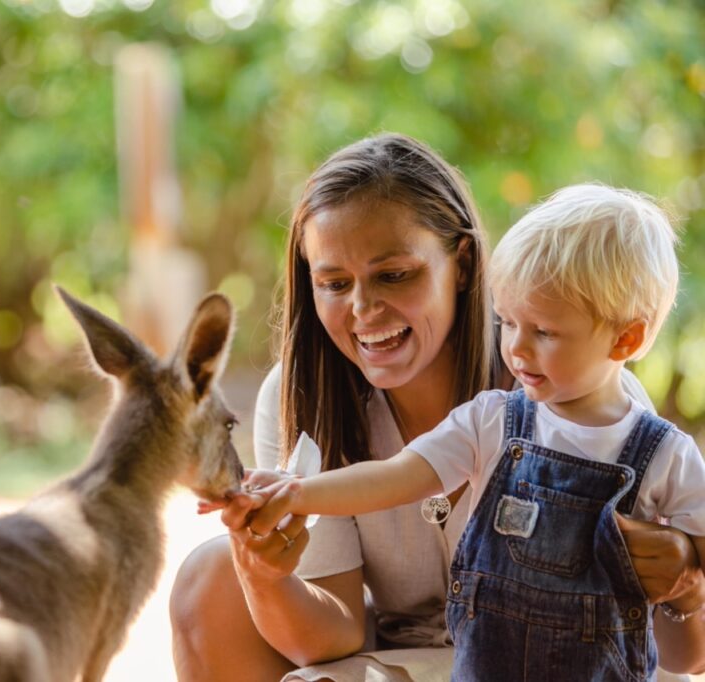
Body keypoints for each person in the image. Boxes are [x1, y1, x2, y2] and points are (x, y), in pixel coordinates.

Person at [169, 133, 705, 682]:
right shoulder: (308, 393)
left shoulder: (595, 408)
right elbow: (331, 635)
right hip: (404, 658)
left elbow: (685, 656)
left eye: (394, 275)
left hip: (565, 660)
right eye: (333, 282)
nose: (362, 309)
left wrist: (684, 584)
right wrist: (265, 570)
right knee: (212, 575)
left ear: (465, 263)